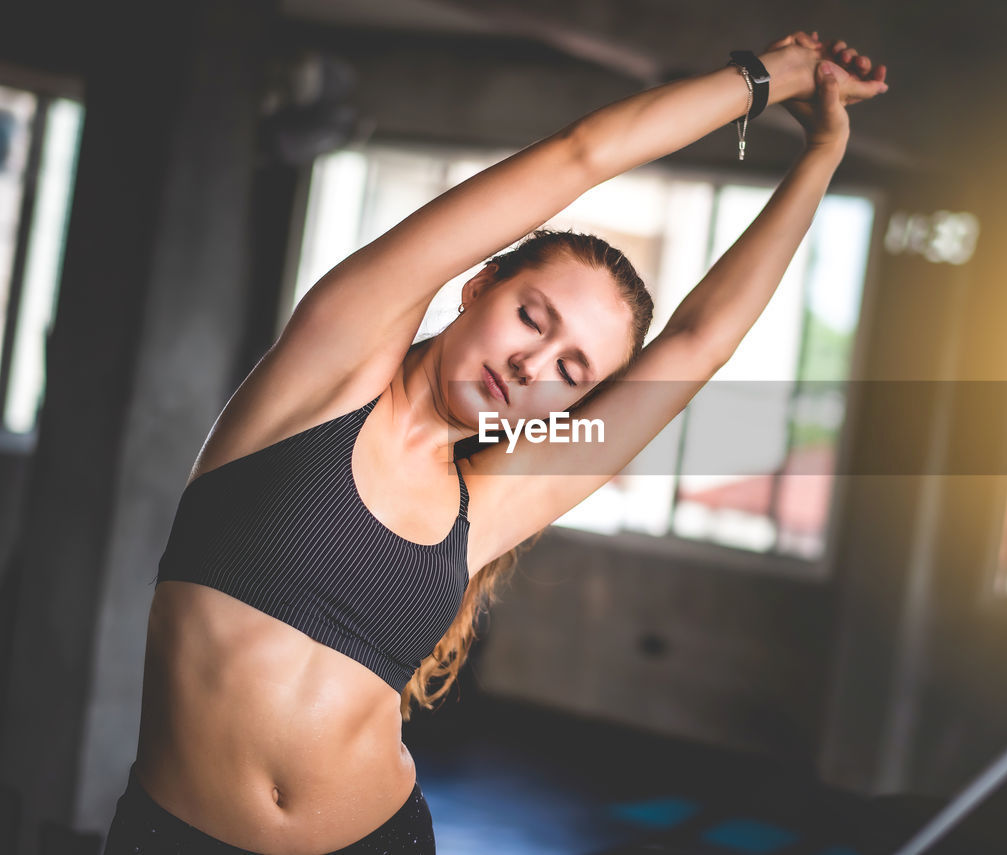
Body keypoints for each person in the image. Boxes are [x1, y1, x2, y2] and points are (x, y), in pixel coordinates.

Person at [103, 28, 888, 855]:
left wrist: (823, 154)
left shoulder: (487, 506)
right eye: (529, 317)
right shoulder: (328, 369)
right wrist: (769, 78)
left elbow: (698, 343)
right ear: (477, 286)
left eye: (571, 367)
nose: (531, 364)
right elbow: (578, 156)